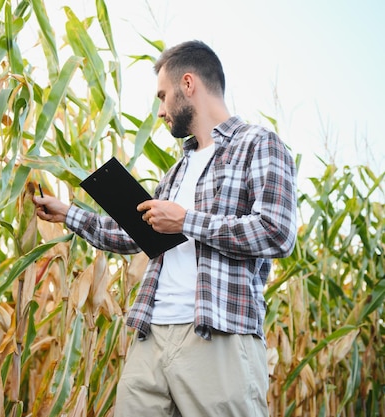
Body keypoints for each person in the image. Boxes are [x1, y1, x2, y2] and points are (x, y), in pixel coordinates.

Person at [33, 40, 297, 417]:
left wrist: (186, 220)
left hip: (218, 334)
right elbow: (138, 235)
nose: (160, 111)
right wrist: (68, 214)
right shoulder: (178, 170)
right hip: (152, 334)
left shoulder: (258, 144)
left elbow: (276, 231)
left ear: (188, 84)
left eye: (162, 95)